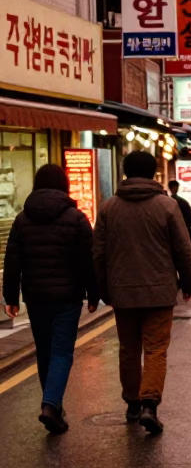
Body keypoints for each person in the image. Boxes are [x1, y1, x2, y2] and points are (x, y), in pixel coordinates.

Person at [93, 150, 191, 434]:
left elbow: (99, 253)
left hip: (122, 292)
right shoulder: (167, 205)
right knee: (155, 349)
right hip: (160, 290)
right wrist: (189, 282)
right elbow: (182, 249)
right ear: (153, 173)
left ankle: (132, 403)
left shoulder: (108, 207)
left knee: (128, 349)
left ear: (125, 172)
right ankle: (150, 403)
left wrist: (104, 290)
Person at [2, 164, 99, 434]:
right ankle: (51, 404)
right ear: (63, 185)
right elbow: (87, 261)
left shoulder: (22, 219)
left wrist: (10, 296)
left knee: (44, 350)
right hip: (67, 296)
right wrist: (94, 293)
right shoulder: (76, 218)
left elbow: (13, 261)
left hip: (35, 296)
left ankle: (53, 405)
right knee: (61, 351)